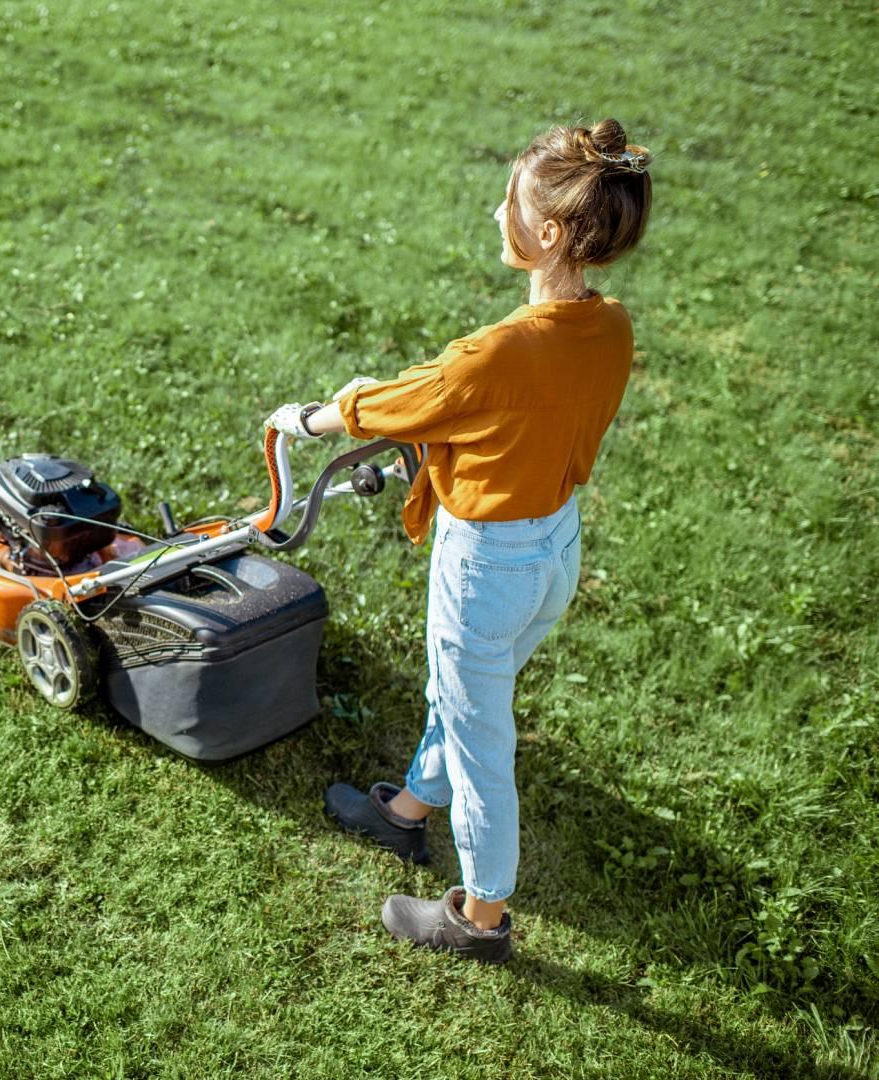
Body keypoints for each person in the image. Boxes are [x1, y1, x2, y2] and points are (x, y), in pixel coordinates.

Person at [264, 119, 654, 963]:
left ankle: (479, 920)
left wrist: (306, 417)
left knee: (483, 741)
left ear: (547, 233)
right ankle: (405, 814)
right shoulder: (611, 326)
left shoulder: (497, 354)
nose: (495, 213)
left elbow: (414, 399)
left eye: (508, 203)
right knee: (463, 693)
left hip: (488, 565)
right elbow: (504, 408)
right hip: (554, 553)